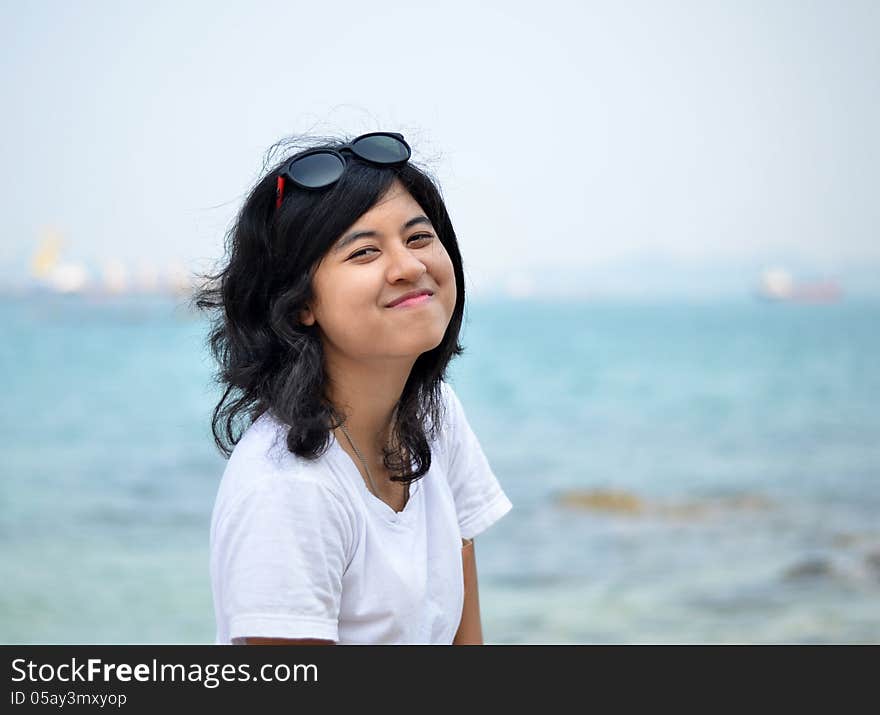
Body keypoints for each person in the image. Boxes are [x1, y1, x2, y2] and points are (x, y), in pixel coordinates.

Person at [195, 131, 513, 645]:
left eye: (418, 238)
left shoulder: (435, 415)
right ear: (299, 303)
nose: (410, 267)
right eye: (365, 252)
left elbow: (463, 640)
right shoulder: (287, 488)